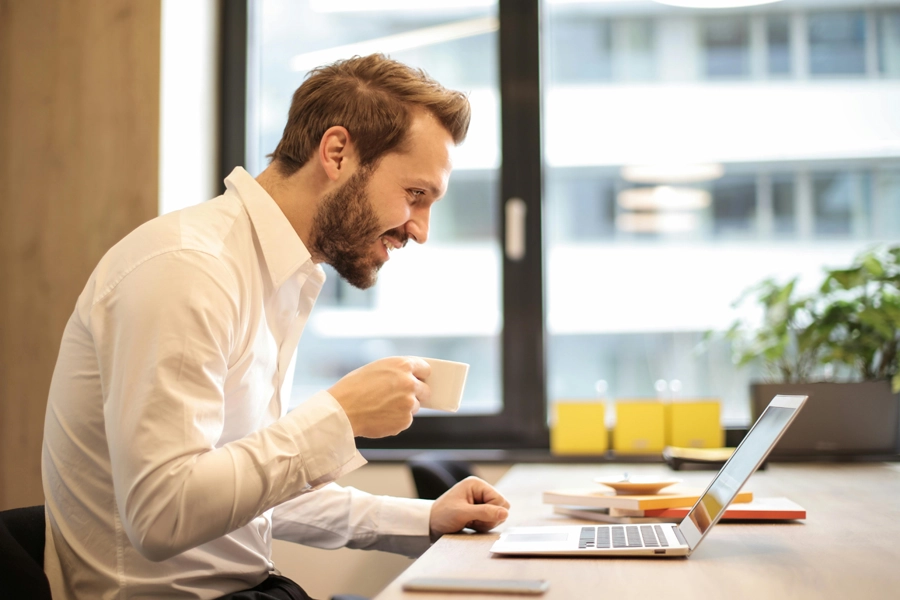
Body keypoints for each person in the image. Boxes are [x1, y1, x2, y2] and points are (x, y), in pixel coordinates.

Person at [41, 54, 510, 600]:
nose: (420, 230)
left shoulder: (281, 275)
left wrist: (426, 518)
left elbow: (247, 491)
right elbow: (162, 515)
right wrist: (338, 417)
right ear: (336, 153)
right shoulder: (189, 269)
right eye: (415, 195)